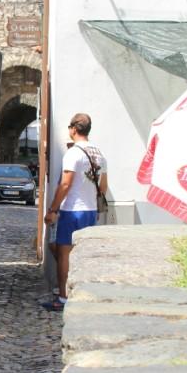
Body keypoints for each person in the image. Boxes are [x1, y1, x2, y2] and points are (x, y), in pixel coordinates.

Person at [42, 113, 107, 312]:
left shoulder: (73, 153)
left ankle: (63, 298)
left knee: (64, 254)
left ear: (73, 129)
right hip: (90, 210)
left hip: (72, 210)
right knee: (81, 255)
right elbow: (103, 187)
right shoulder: (99, 154)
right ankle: (79, 292)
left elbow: (65, 184)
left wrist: (53, 209)